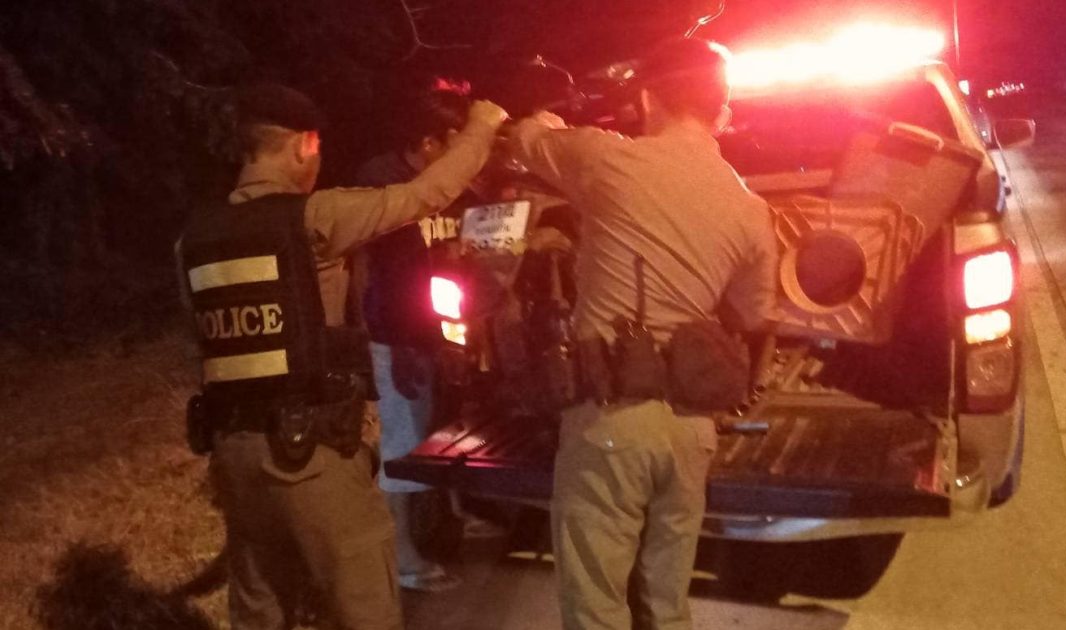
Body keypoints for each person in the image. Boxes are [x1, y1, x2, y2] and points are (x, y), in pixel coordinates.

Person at [177, 83, 506, 630]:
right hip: (309, 453)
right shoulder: (316, 217)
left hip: (232, 458)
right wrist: (482, 128)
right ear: (303, 146)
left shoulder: (194, 238)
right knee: (365, 605)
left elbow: (203, 338)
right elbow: (425, 195)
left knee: (259, 610)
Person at [509, 39, 778, 630]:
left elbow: (526, 140)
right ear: (722, 111)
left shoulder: (608, 160)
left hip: (612, 423)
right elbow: (755, 312)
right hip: (691, 430)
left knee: (596, 606)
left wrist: (545, 119)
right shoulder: (749, 207)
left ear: (650, 99)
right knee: (667, 605)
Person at [353, 83, 499, 594]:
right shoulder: (384, 184)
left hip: (436, 336)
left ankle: (453, 517)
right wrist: (394, 346)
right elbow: (379, 278)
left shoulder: (451, 189)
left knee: (441, 432)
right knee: (402, 445)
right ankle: (402, 560)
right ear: (430, 142)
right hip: (397, 338)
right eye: (458, 142)